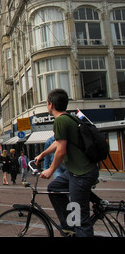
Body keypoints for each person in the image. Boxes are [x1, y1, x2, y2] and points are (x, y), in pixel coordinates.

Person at [35, 89, 99, 237]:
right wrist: (43, 154)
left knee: (80, 220)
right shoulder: (69, 118)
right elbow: (58, 143)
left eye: (46, 103)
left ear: (50, 105)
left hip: (81, 174)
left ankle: (75, 228)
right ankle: (68, 226)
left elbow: (61, 151)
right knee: (54, 187)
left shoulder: (60, 121)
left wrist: (50, 170)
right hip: (78, 172)